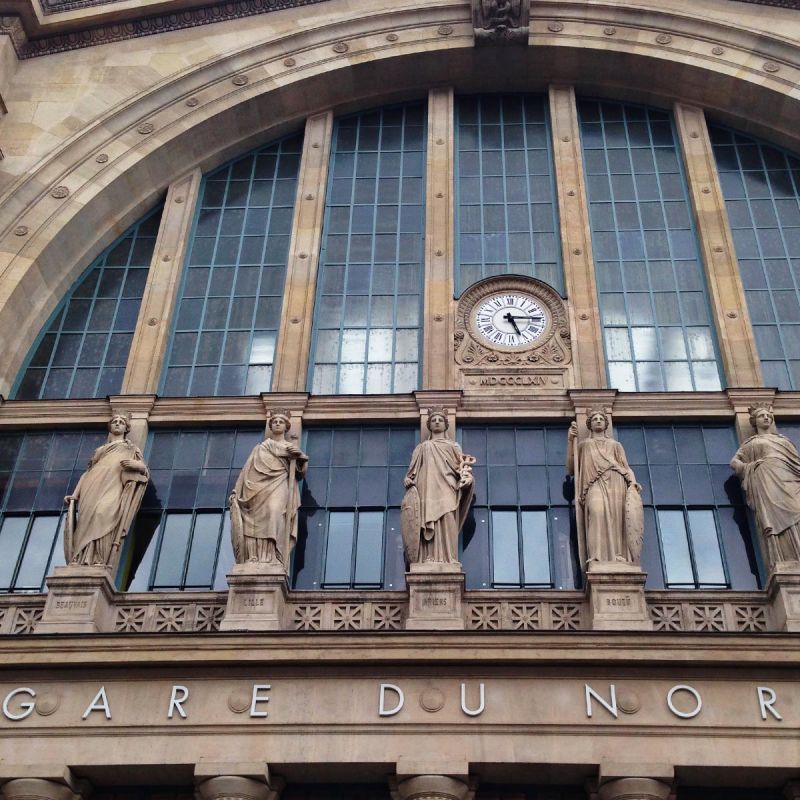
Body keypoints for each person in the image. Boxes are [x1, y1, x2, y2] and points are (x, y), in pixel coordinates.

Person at [64, 413, 149, 568]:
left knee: (103, 513)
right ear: (110, 427)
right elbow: (87, 473)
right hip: (93, 485)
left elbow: (143, 471)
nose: (117, 424)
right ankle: (81, 557)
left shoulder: (131, 449)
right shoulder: (100, 450)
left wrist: (138, 466)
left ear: (126, 428)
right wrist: (75, 495)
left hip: (114, 485)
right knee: (86, 521)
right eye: (114, 422)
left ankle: (99, 557)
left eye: (121, 422)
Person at [229, 411, 308, 567]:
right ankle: (255, 557)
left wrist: (301, 458)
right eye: (274, 421)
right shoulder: (261, 448)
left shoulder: (290, 448)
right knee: (255, 519)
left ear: (286, 427)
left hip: (279, 484)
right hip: (257, 487)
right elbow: (246, 470)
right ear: (270, 426)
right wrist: (236, 492)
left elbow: (299, 473)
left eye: (281, 421)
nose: (277, 423)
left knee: (274, 512)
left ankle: (273, 556)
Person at [567, 408, 642, 568]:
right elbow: (571, 467)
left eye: (602, 418)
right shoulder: (584, 445)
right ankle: (596, 557)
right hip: (594, 484)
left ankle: (617, 557)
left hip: (616, 482)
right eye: (595, 419)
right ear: (589, 424)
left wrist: (633, 483)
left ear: (606, 424)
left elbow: (626, 467)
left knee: (617, 520)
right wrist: (570, 440)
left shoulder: (615, 445)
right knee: (596, 514)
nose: (599, 420)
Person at [401, 409, 475, 565]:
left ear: (446, 425)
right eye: (433, 419)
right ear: (428, 424)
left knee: (448, 519)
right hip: (426, 488)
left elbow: (461, 469)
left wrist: (467, 480)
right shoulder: (422, 447)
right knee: (428, 521)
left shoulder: (454, 446)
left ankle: (449, 558)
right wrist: (407, 480)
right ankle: (429, 557)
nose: (436, 422)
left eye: (440, 420)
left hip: (448, 487)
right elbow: (411, 473)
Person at [730, 406, 800, 567]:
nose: (766, 418)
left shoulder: (784, 441)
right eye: (762, 416)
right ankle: (785, 558)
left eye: (769, 415)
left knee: (796, 511)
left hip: (789, 479)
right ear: (755, 422)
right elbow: (734, 462)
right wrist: (751, 466)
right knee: (774, 517)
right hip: (766, 479)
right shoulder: (751, 443)